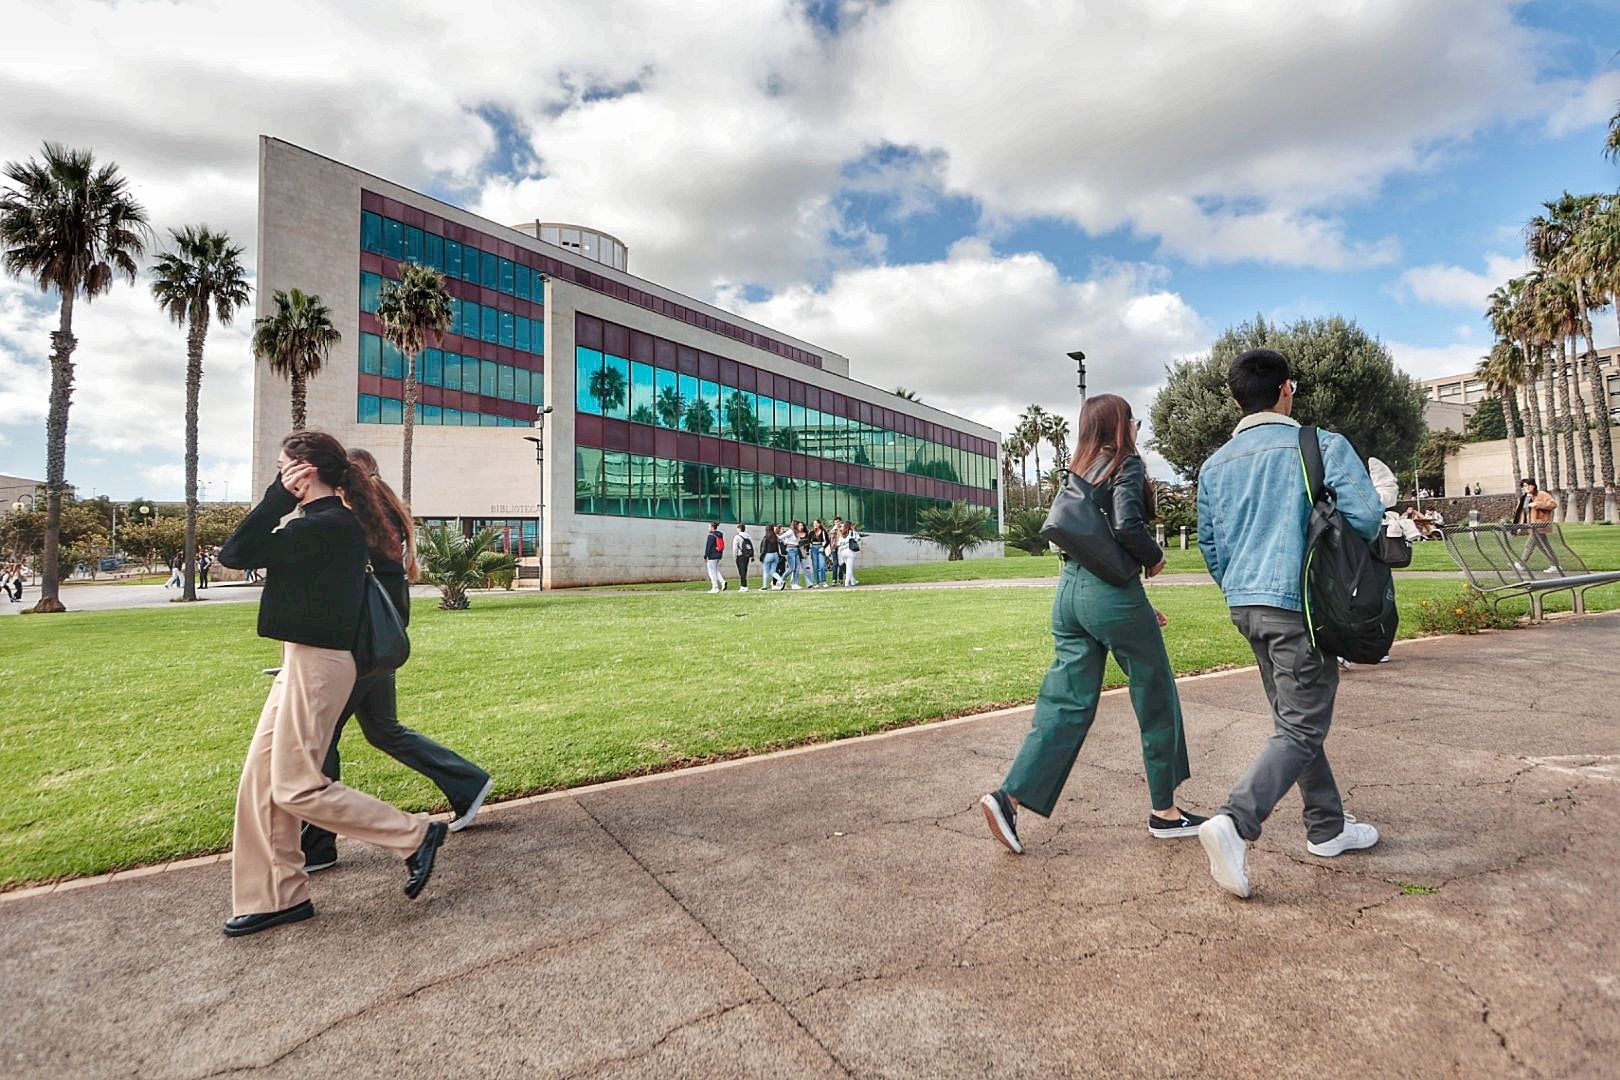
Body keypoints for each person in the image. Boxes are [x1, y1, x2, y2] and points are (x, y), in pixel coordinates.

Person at [215, 430, 447, 937]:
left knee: (296, 786)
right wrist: (284, 500)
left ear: (304, 470)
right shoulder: (320, 523)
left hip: (320, 664)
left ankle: (414, 834)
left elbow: (235, 553)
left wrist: (278, 497)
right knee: (260, 785)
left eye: (283, 467)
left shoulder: (328, 524)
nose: (277, 475)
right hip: (301, 659)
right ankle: (277, 895)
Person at [1194, 349, 1384, 900]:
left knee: (1294, 722)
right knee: (1301, 726)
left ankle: (1326, 828)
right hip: (1299, 604)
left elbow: (1210, 544)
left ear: (1235, 400)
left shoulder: (1214, 465)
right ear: (1287, 390)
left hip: (1246, 605)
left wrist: (1237, 583)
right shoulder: (1320, 445)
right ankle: (1235, 821)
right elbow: (1368, 517)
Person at [980, 394, 1203, 856]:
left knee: (1066, 703)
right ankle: (1165, 813)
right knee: (1155, 692)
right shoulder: (1126, 464)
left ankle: (1009, 797)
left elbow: (1095, 545)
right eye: (1134, 420)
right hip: (1110, 597)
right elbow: (1125, 527)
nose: (1137, 427)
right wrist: (1155, 557)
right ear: (1121, 424)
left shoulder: (1076, 471)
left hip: (1069, 595)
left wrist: (1136, 606)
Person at [300, 448, 494, 874]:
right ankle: (469, 782)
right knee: (383, 729)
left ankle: (316, 845)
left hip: (361, 646)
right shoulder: (383, 512)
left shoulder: (359, 521)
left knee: (322, 737)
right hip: (381, 644)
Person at [703, 521, 727, 593]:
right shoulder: (720, 535)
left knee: (711, 572)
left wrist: (705, 555)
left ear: (712, 527)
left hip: (712, 556)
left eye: (709, 527)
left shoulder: (711, 535)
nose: (708, 528)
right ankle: (722, 582)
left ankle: (715, 587)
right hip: (718, 555)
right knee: (716, 570)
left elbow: (708, 546)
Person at [837, 521, 861, 586]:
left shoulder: (841, 534)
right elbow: (858, 539)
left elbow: (839, 544)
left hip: (843, 552)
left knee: (848, 567)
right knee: (849, 568)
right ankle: (846, 583)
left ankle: (853, 582)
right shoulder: (853, 532)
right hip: (850, 552)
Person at [782, 521, 804, 589]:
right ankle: (781, 580)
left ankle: (794, 584)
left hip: (796, 550)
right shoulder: (790, 531)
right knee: (792, 568)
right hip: (790, 550)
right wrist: (786, 542)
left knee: (797, 568)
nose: (799, 526)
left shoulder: (796, 533)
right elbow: (781, 537)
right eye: (798, 525)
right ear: (795, 525)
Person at [808, 519, 829, 588]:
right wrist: (809, 548)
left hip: (821, 548)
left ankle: (824, 581)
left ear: (819, 524)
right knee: (815, 566)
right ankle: (816, 583)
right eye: (814, 524)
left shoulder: (823, 531)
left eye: (816, 523)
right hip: (813, 549)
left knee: (822, 566)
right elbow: (808, 541)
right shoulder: (811, 532)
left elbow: (828, 541)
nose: (815, 525)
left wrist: (823, 547)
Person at [732, 523, 753, 592]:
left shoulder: (737, 537)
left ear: (739, 529)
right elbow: (750, 546)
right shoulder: (748, 536)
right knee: (745, 570)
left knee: (741, 571)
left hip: (740, 555)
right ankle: (744, 585)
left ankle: (743, 586)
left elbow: (735, 548)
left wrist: (734, 556)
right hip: (747, 555)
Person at [760, 523, 781, 590]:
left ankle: (765, 586)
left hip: (768, 555)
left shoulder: (766, 537)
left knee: (766, 571)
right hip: (775, 555)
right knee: (773, 572)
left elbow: (764, 548)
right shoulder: (775, 537)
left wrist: (761, 556)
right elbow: (777, 548)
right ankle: (781, 581)